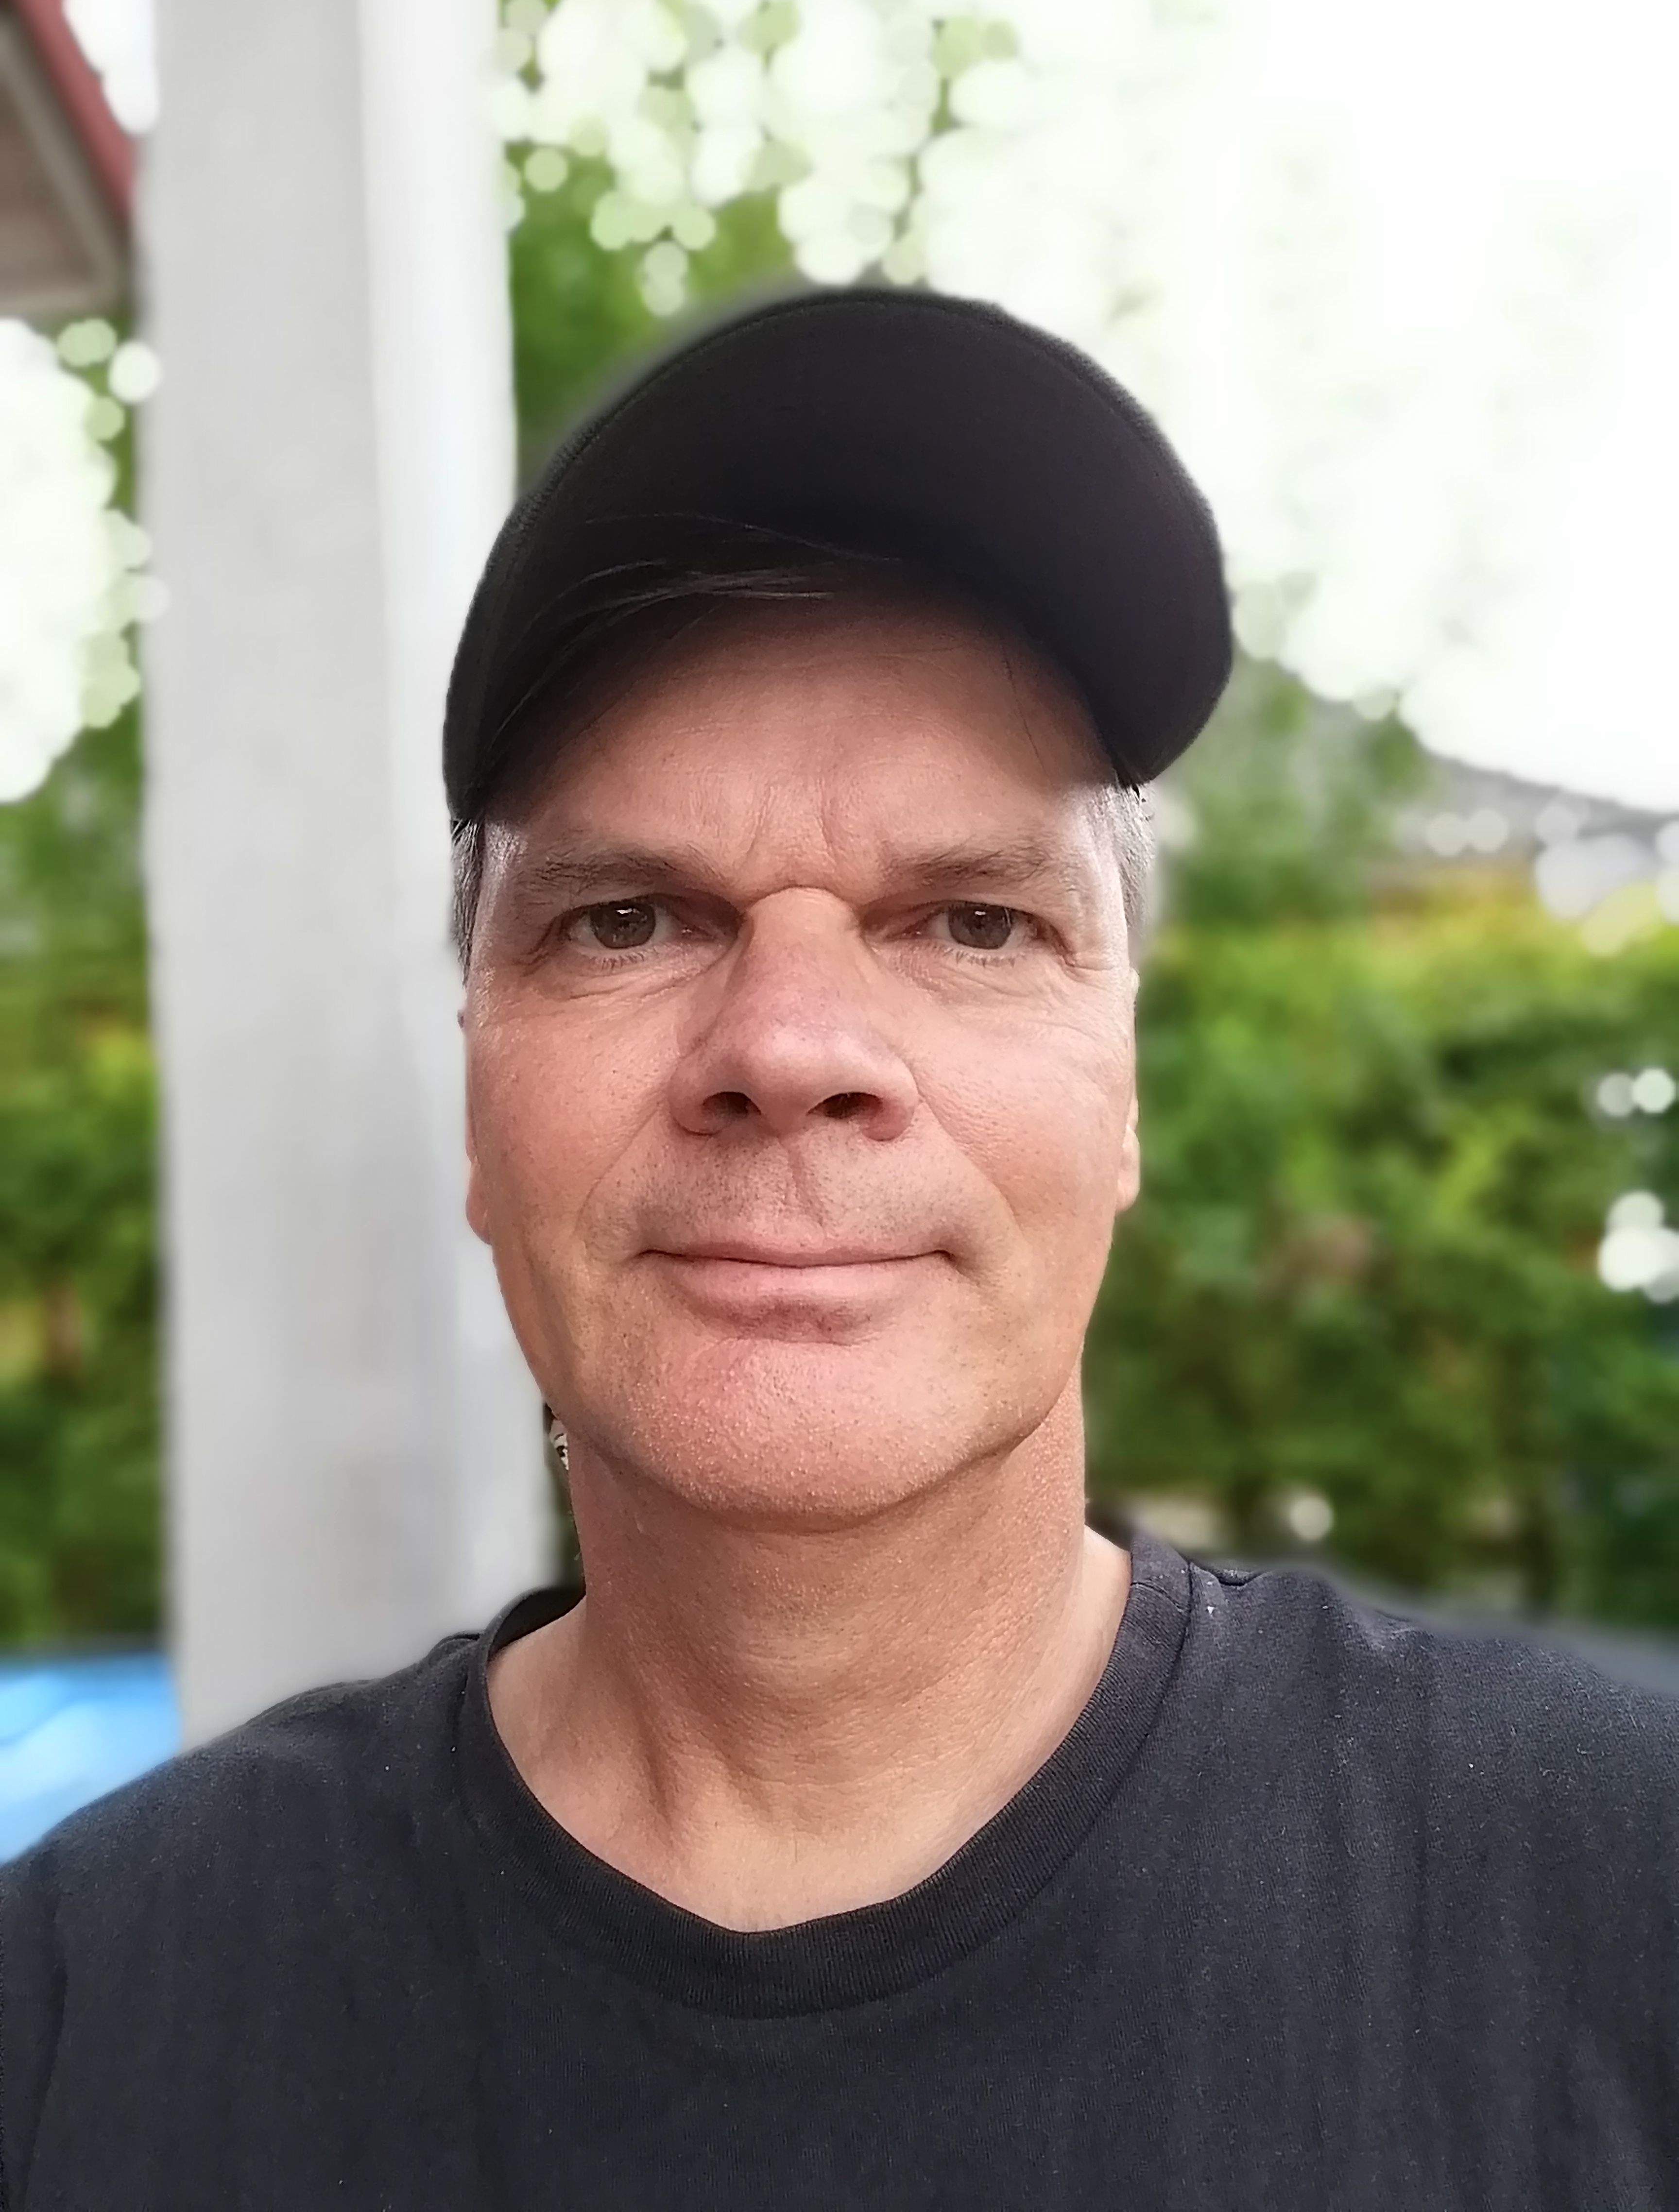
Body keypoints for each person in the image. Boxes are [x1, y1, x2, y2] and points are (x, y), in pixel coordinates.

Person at [2, 289, 1675, 2212]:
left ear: (1124, 1099)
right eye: (628, 920)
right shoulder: (76, 2027)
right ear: (478, 1104)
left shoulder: (1619, 1910)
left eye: (973, 923)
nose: (790, 1047)